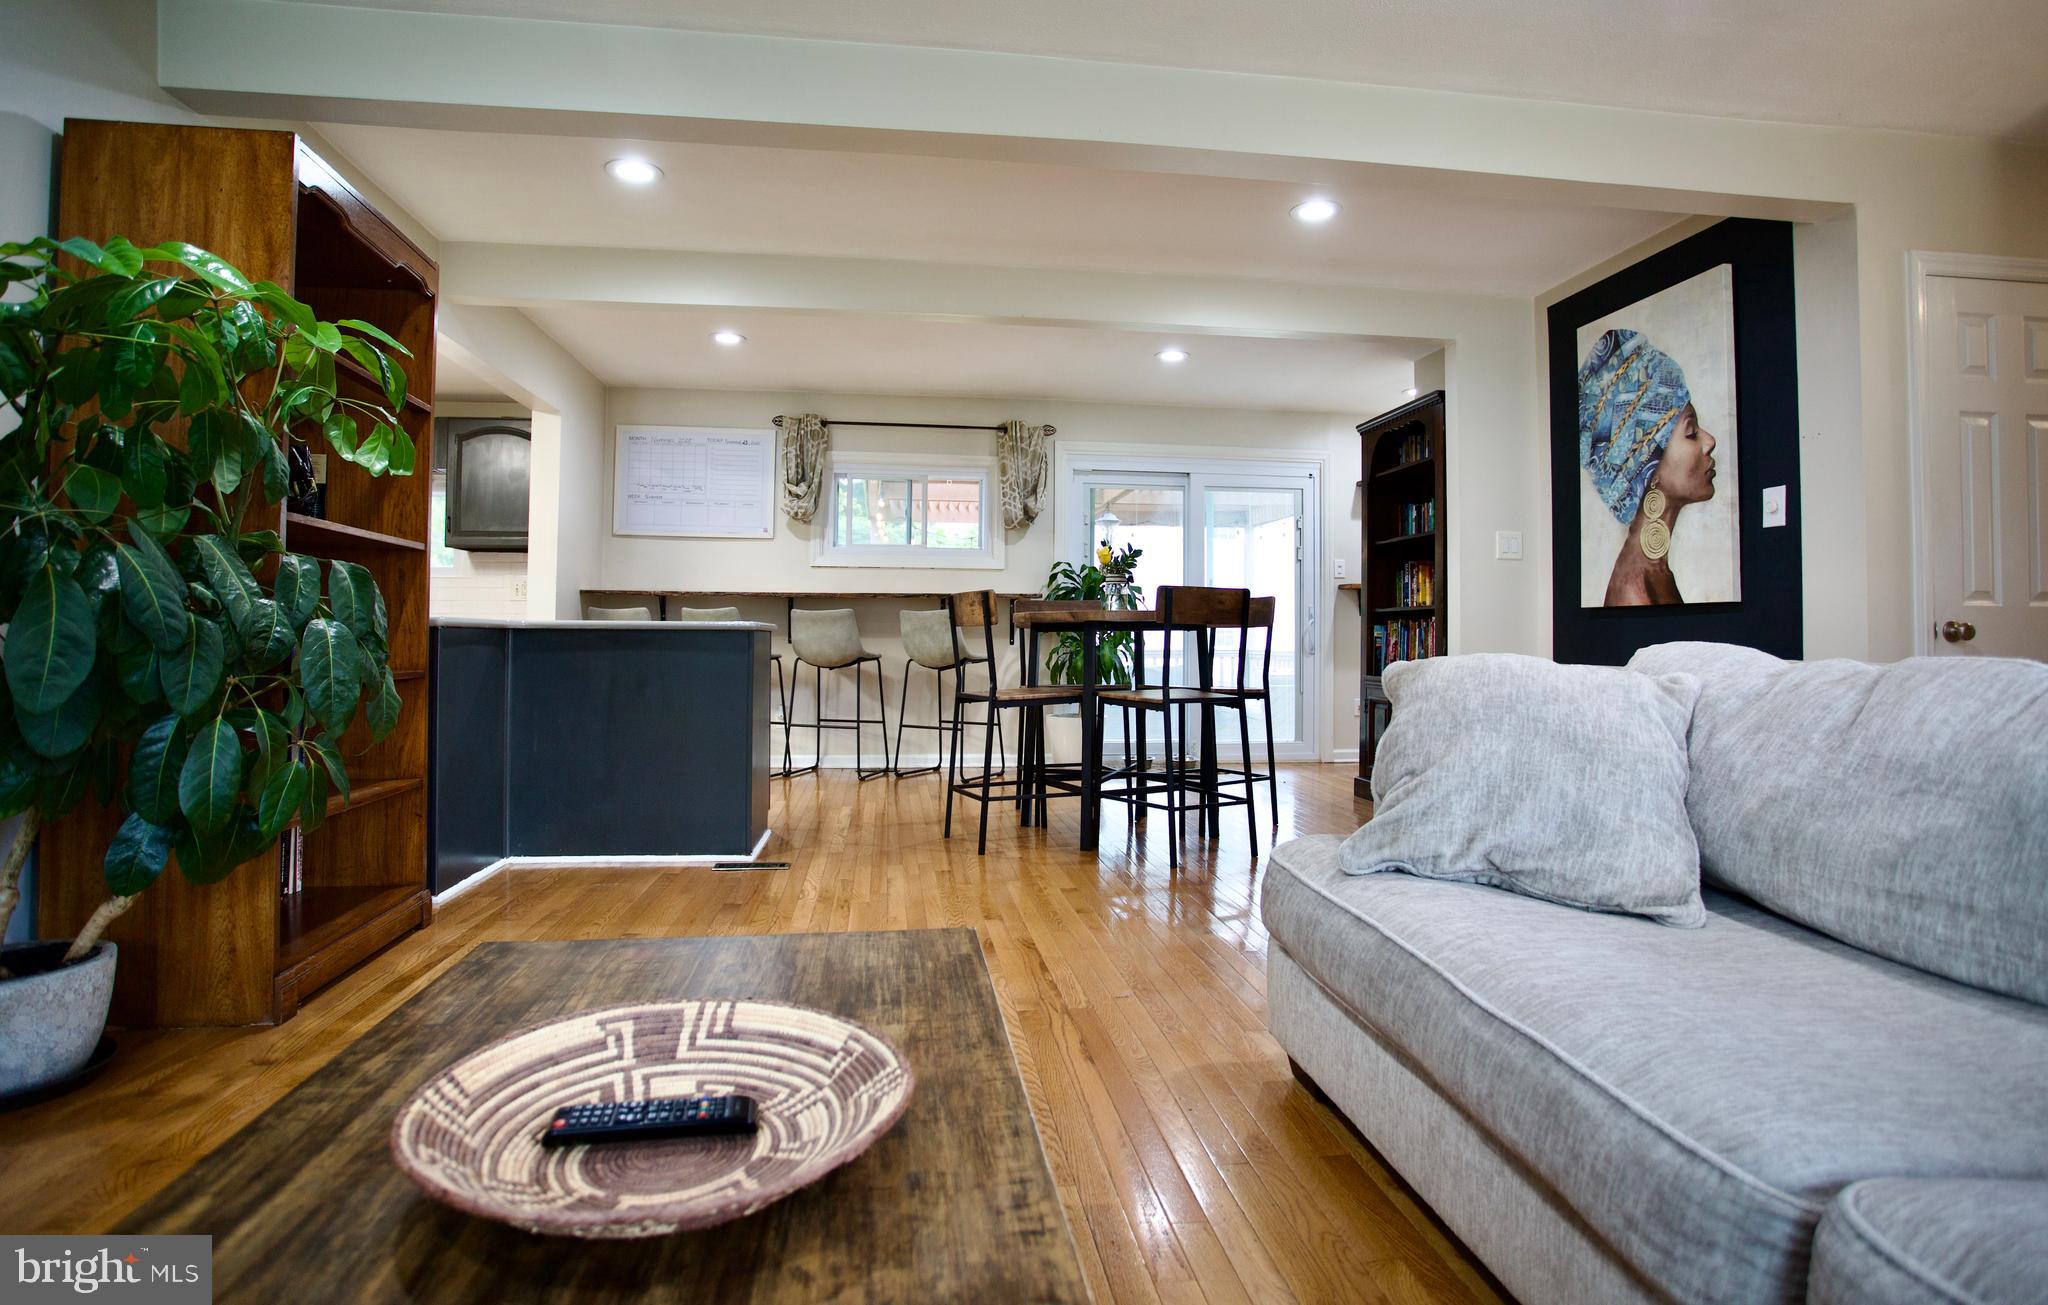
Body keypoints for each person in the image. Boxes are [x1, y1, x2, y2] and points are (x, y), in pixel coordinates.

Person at [1577, 328, 1719, 606]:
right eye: (1691, 432)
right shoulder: (1636, 589)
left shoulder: (1654, 572)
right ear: (1645, 467)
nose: (1709, 442)